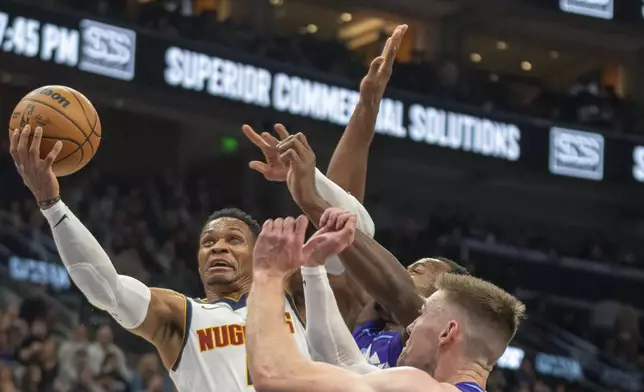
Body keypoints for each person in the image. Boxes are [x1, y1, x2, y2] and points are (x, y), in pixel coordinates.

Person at [7, 123, 371, 392]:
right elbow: (108, 290)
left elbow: (360, 235)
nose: (218, 247)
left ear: (261, 250)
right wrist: (52, 205)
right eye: (208, 242)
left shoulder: (297, 293)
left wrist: (309, 180)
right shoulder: (181, 316)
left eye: (234, 239)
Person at [245, 209, 526, 392]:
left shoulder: (417, 387)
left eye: (424, 314)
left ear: (448, 333)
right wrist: (313, 268)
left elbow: (273, 375)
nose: (411, 326)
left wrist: (268, 277)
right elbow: (346, 362)